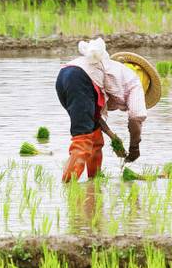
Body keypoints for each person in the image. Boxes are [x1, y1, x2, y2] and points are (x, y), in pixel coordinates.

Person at [55, 38, 161, 182]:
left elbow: (95, 116)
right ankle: (67, 187)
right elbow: (136, 118)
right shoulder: (134, 83)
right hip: (80, 80)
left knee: (95, 138)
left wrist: (113, 137)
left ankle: (94, 181)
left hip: (64, 77)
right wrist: (134, 148)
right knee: (83, 140)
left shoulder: (113, 72)